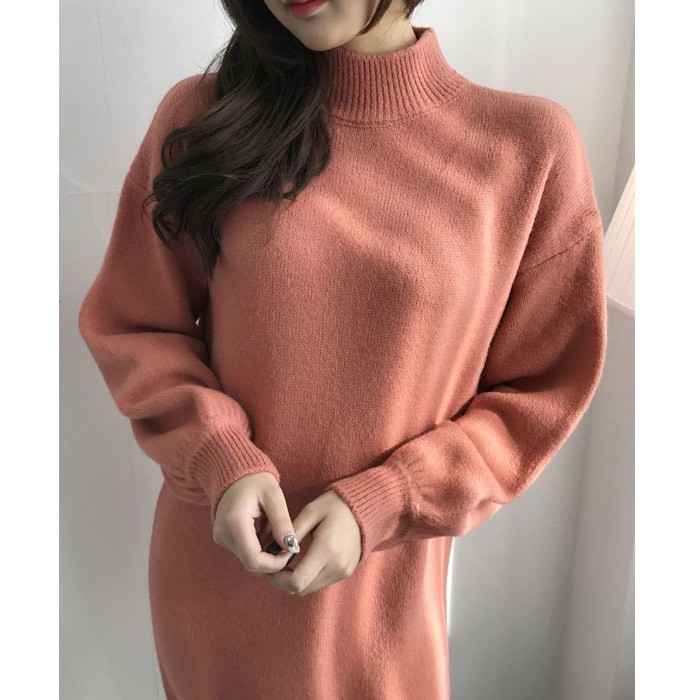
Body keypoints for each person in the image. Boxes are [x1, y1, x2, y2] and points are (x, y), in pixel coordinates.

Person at [77, 0, 608, 697]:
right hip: (219, 584)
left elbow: (538, 395)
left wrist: (390, 499)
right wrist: (221, 459)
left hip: (384, 606)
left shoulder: (527, 148)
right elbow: (136, 325)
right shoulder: (207, 117)